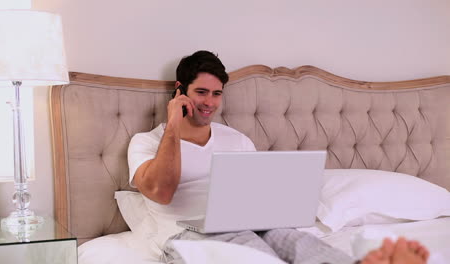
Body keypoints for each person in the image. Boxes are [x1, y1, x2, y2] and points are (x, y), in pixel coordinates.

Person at [127, 50, 430, 264]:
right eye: (201, 92)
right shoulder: (147, 141)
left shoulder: (237, 140)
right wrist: (174, 125)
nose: (209, 103)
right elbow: (161, 191)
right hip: (186, 238)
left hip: (251, 227)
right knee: (251, 253)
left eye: (217, 94)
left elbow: (257, 199)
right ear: (180, 91)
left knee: (300, 243)